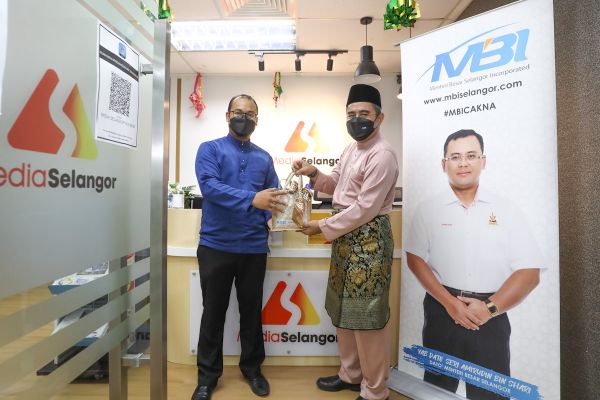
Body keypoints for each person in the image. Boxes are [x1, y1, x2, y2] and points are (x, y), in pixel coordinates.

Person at [404, 129, 544, 400]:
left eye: (471, 155)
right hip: (441, 311)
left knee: (491, 394)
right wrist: (449, 303)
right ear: (444, 164)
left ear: (483, 161)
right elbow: (415, 259)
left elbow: (531, 271)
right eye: (455, 157)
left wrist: (489, 308)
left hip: (491, 313)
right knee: (435, 391)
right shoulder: (427, 209)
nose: (463, 163)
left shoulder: (507, 209)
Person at [293, 84, 399, 400]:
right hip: (345, 238)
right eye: (351, 114)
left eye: (364, 113)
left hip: (369, 241)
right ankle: (351, 375)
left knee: (366, 315)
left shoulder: (382, 155)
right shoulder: (351, 149)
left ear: (379, 117)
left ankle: (376, 390)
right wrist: (313, 173)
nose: (357, 120)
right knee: (343, 309)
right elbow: (333, 185)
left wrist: (321, 227)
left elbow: (366, 208)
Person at [191, 94, 287, 400]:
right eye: (238, 112)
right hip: (216, 245)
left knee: (251, 312)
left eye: (250, 114)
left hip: (253, 247)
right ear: (227, 115)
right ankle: (207, 378)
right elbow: (210, 187)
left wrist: (281, 215)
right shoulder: (210, 149)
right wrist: (252, 199)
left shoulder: (264, 158)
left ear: (257, 119)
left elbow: (274, 197)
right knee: (213, 313)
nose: (243, 118)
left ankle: (252, 369)